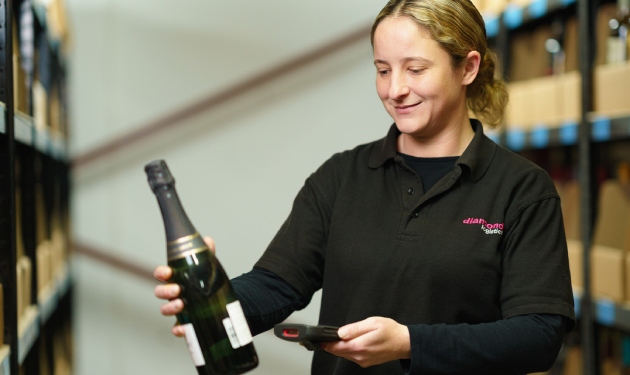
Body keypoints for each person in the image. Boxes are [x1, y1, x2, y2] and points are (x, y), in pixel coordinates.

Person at [154, 0, 576, 373]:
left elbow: (538, 336)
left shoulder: (521, 190)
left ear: (467, 67)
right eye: (382, 70)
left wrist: (410, 344)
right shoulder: (341, 177)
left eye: (415, 69)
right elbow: (277, 285)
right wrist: (213, 298)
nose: (395, 90)